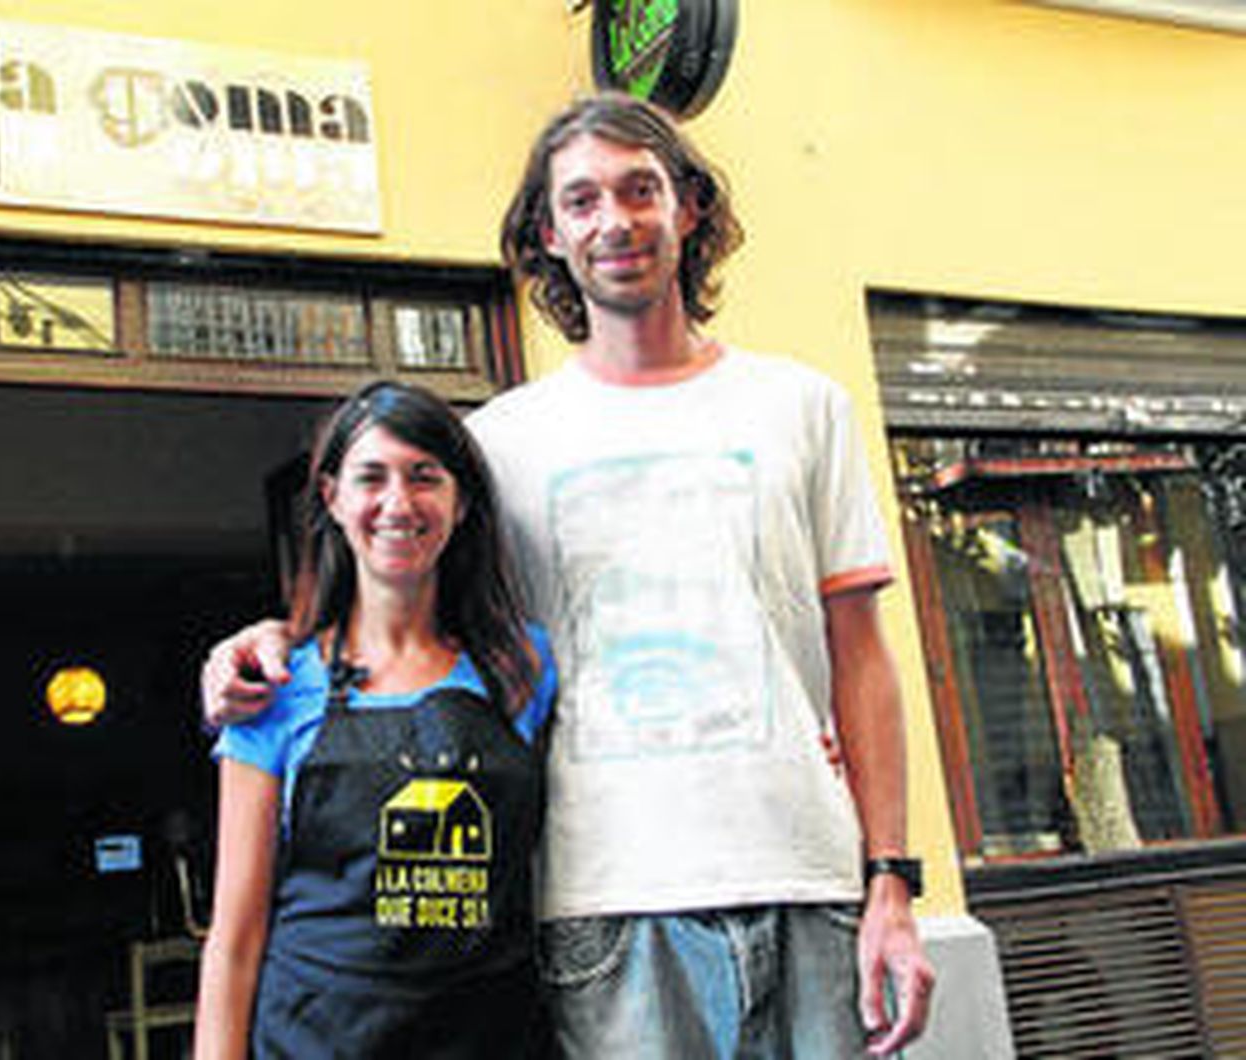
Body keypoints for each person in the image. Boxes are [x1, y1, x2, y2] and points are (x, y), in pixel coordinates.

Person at [202, 93, 935, 1057]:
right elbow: (405, 585)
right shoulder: (499, 443)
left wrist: (891, 877)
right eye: (583, 200)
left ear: (691, 209)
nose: (617, 221)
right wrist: (271, 645)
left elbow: (862, 660)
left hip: (810, 877)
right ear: (549, 233)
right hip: (602, 904)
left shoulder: (804, 405)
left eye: (643, 189)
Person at [194, 381, 558, 1059]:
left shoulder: (524, 666)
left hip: (491, 1038)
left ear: (462, 501)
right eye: (371, 477)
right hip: (319, 1039)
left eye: (425, 477)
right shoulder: (270, 685)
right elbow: (235, 939)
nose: (399, 503)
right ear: (331, 498)